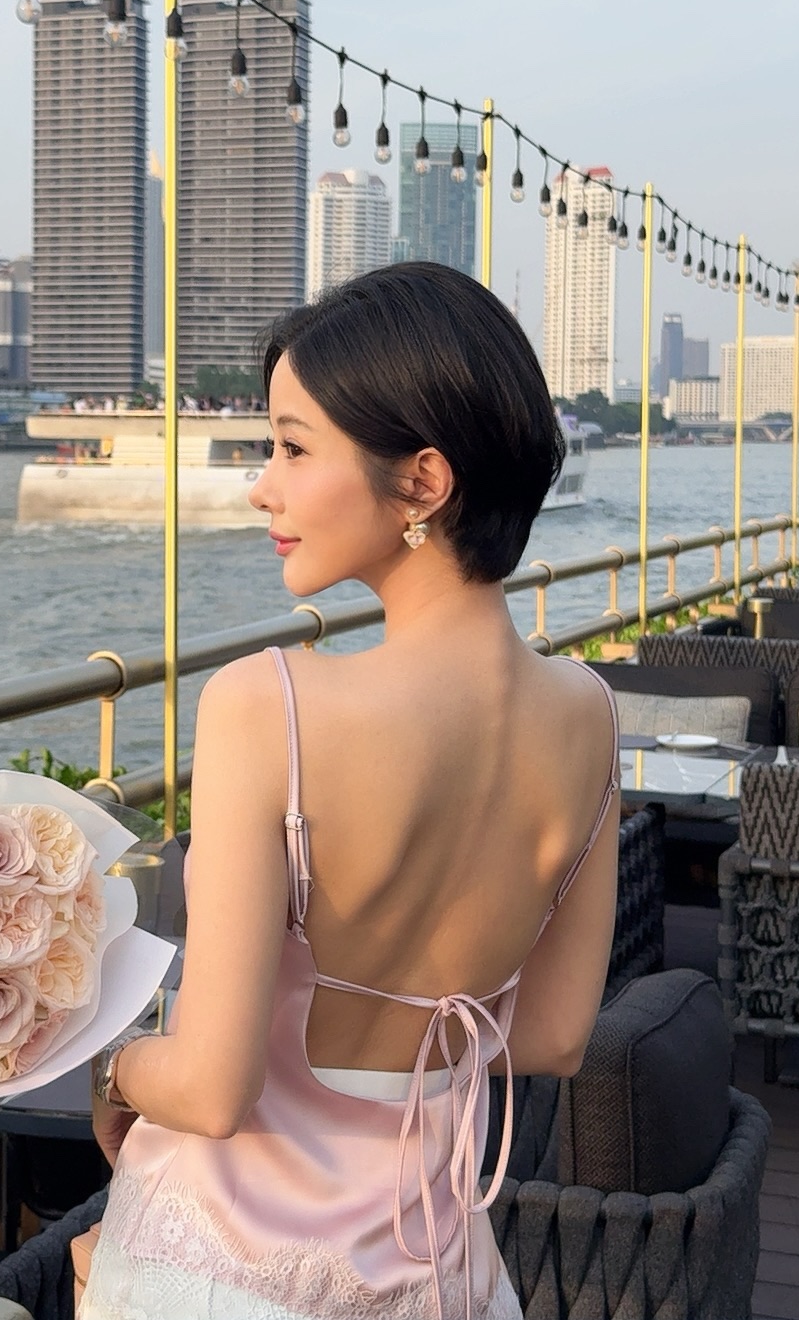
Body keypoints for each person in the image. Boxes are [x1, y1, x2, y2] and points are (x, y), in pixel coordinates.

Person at [80, 262, 620, 1320]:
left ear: (422, 483)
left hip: (224, 1265)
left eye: (292, 447)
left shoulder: (269, 704)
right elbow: (555, 1036)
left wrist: (114, 1069)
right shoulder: (589, 714)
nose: (262, 486)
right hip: (436, 1271)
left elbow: (213, 1091)